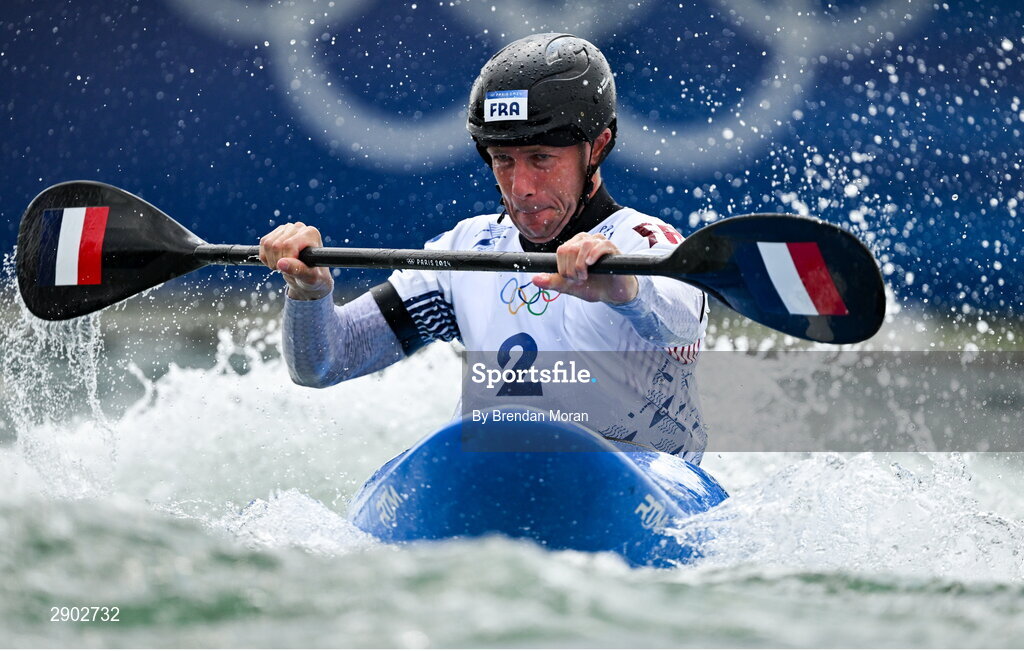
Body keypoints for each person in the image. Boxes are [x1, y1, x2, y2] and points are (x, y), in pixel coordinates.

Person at [259, 33, 710, 462]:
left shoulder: (646, 242)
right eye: (503, 160)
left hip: (637, 483)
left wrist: (624, 290)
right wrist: (310, 292)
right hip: (495, 476)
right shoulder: (467, 250)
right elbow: (324, 365)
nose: (521, 188)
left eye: (541, 159)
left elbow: (682, 324)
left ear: (597, 147)